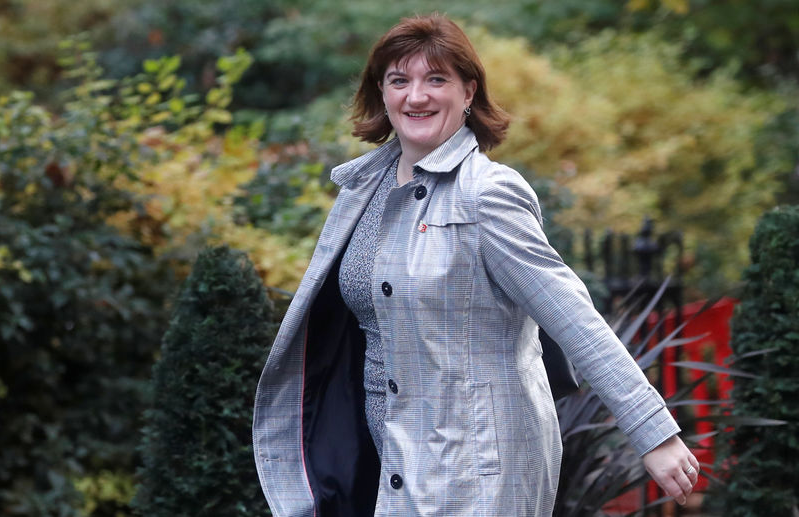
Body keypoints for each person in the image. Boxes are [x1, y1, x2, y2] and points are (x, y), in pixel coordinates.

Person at [252, 13, 699, 517]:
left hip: (474, 468)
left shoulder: (487, 194)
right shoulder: (362, 191)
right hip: (378, 458)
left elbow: (573, 317)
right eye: (400, 80)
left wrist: (653, 432)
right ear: (382, 93)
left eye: (436, 79)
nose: (416, 96)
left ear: (468, 92)